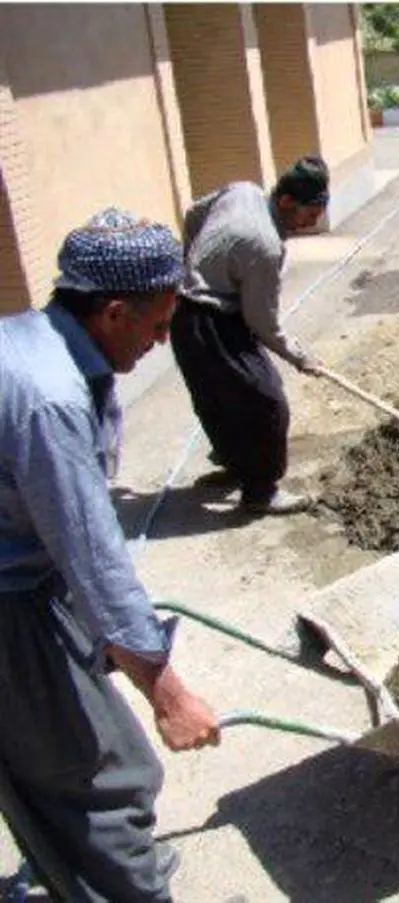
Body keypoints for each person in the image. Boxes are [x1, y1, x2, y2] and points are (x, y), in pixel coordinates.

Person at [0, 209, 221, 900]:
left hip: (24, 575)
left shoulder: (30, 339)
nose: (162, 341)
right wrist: (167, 690)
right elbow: (92, 552)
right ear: (113, 311)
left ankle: (78, 873)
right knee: (106, 777)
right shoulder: (50, 398)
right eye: (158, 325)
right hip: (9, 602)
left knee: (40, 766)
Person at [170, 156, 330, 514]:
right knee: (266, 402)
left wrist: (195, 260)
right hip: (211, 320)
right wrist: (300, 357)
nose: (312, 222)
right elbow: (262, 322)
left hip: (183, 315)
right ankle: (260, 491)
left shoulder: (242, 191)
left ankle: (236, 466)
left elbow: (195, 213)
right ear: (287, 201)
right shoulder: (264, 245)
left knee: (217, 398)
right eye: (309, 214)